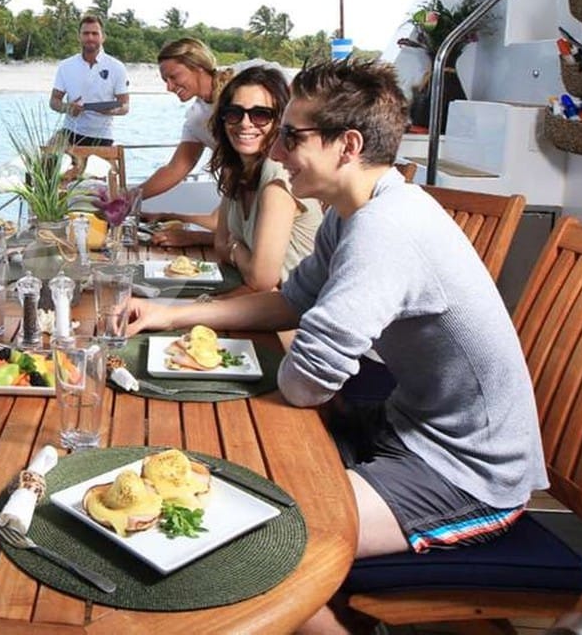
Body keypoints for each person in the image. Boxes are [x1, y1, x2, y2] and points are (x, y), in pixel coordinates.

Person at [127, 59, 547, 633]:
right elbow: (287, 301)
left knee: (253, 541)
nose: (276, 153)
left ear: (347, 145)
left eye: (292, 137)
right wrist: (169, 314)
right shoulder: (354, 213)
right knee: (229, 471)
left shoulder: (384, 231)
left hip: (466, 471)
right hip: (405, 427)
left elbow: (306, 383)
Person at [141, 38, 280, 247]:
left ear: (197, 67)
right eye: (233, 115)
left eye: (173, 76)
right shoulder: (197, 120)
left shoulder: (247, 75)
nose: (169, 87)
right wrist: (159, 213)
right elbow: (176, 168)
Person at [205, 65, 322, 290]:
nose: (245, 123)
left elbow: (262, 279)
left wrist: (236, 247)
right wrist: (236, 250)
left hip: (290, 315)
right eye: (234, 113)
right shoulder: (236, 171)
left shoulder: (277, 178)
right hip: (260, 298)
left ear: (281, 122)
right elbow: (220, 243)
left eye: (260, 115)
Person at [49, 15, 130, 146]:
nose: (90, 37)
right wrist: (68, 108)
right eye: (86, 33)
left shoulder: (117, 67)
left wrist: (111, 111)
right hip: (70, 133)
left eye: (94, 33)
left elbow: (125, 106)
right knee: (47, 157)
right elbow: (54, 101)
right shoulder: (66, 66)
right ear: (79, 36)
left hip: (102, 136)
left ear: (103, 37)